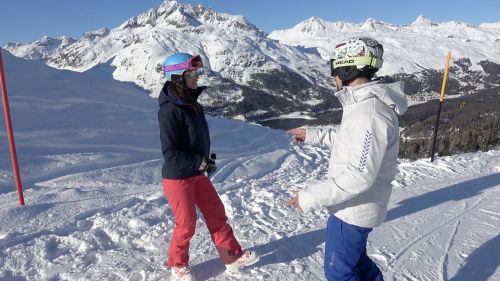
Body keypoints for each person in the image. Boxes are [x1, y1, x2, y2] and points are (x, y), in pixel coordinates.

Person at [287, 37, 408, 281]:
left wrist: (310, 197)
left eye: (334, 68)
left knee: (339, 272)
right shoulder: (364, 105)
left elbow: (359, 176)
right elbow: (349, 141)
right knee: (358, 265)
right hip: (354, 208)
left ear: (347, 68)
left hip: (353, 211)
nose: (333, 76)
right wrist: (314, 134)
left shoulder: (369, 113)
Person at [158, 52, 259, 281]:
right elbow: (170, 153)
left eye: (196, 72)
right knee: (186, 224)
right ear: (177, 77)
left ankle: (231, 257)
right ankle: (178, 265)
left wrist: (204, 162)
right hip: (178, 177)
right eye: (191, 73)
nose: (196, 77)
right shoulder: (170, 110)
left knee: (216, 213)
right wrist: (198, 162)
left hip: (197, 172)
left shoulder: (192, 103)